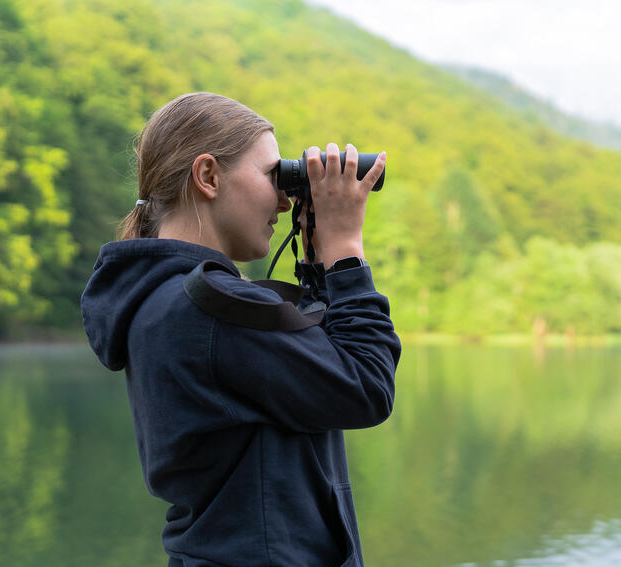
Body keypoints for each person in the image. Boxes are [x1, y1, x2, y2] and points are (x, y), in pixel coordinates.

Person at [80, 92, 401, 567]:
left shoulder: (160, 298)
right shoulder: (210, 307)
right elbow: (366, 386)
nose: (286, 197)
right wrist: (346, 250)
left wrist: (316, 265)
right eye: (274, 175)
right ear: (208, 176)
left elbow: (317, 368)